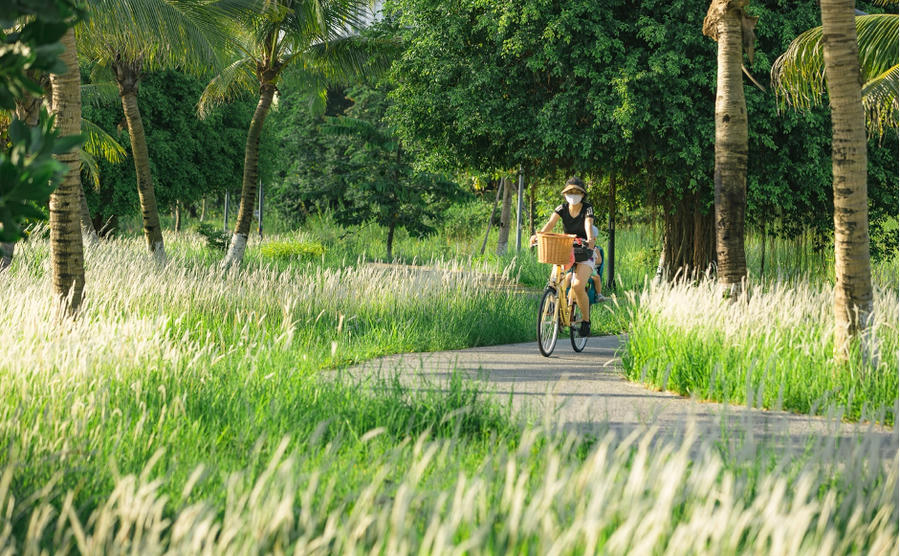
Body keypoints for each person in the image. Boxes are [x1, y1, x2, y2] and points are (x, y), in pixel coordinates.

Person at [530, 177, 595, 337]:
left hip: (584, 249)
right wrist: (538, 235)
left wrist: (590, 239)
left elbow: (588, 225)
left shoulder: (587, 209)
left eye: (577, 192)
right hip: (566, 248)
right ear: (565, 194)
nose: (573, 195)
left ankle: (586, 321)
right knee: (554, 282)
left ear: (582, 194)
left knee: (577, 286)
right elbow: (550, 224)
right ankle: (555, 309)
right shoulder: (561, 208)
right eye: (570, 192)